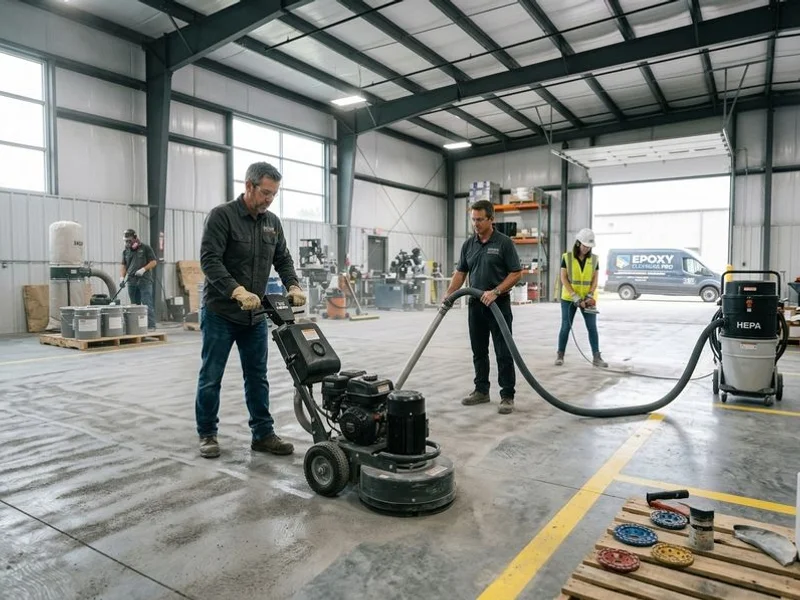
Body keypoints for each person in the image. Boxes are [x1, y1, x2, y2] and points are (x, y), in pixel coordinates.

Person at [195, 161, 307, 459]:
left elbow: (282, 259)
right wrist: (237, 291)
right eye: (266, 193)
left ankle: (263, 434)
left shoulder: (272, 223)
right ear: (249, 186)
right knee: (211, 375)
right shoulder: (223, 216)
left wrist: (293, 285)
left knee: (257, 376)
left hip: (255, 315)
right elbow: (209, 260)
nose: (269, 199)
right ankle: (207, 434)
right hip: (221, 312)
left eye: (274, 195)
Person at [444, 199, 523, 415]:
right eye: (473, 220)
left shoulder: (504, 243)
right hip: (475, 305)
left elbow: (516, 272)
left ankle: (507, 395)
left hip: (498, 305)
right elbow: (461, 272)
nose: (476, 224)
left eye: (480, 220)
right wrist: (450, 294)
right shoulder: (469, 245)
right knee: (478, 351)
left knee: (503, 351)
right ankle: (481, 390)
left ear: (491, 219)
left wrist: (496, 291)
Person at [555, 228, 608, 368]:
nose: (586, 249)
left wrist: (589, 296)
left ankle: (597, 357)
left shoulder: (595, 259)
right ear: (578, 243)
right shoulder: (567, 257)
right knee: (566, 326)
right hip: (569, 298)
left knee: (592, 327)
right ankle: (560, 355)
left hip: (588, 298)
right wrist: (575, 296)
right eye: (585, 245)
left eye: (589, 247)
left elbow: (595, 280)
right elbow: (564, 278)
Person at [121, 229, 158, 331]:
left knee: (147, 303)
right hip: (131, 281)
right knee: (134, 305)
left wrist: (143, 269)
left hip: (144, 281)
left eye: (129, 240)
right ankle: (136, 327)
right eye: (126, 241)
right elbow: (124, 266)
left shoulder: (145, 248)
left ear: (135, 238)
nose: (127, 243)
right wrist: (122, 278)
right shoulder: (125, 251)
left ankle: (151, 326)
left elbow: (153, 262)